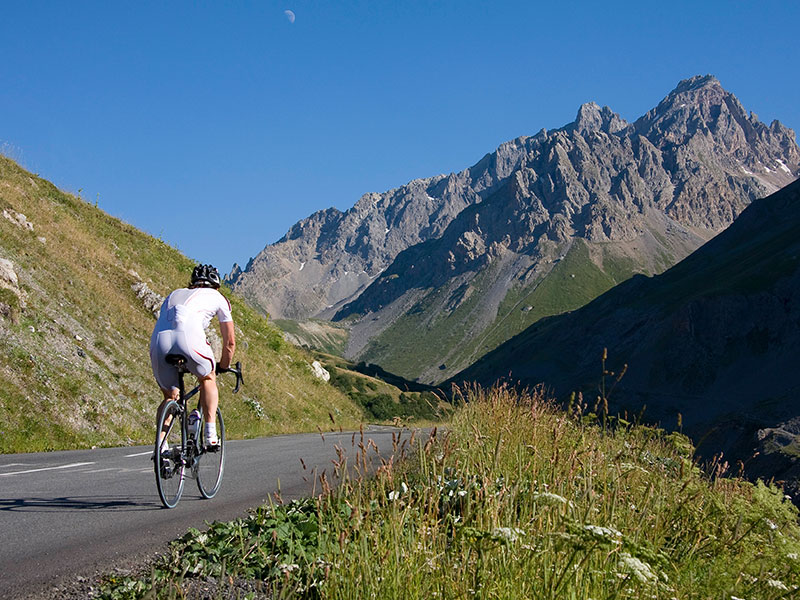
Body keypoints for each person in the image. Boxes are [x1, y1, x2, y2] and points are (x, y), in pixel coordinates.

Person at [150, 264, 235, 447]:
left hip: (159, 341)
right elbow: (229, 342)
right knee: (207, 378)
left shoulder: (174, 293)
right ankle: (210, 434)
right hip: (189, 339)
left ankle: (160, 447)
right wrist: (224, 365)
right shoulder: (218, 298)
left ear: (192, 283)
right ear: (216, 286)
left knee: (170, 395)